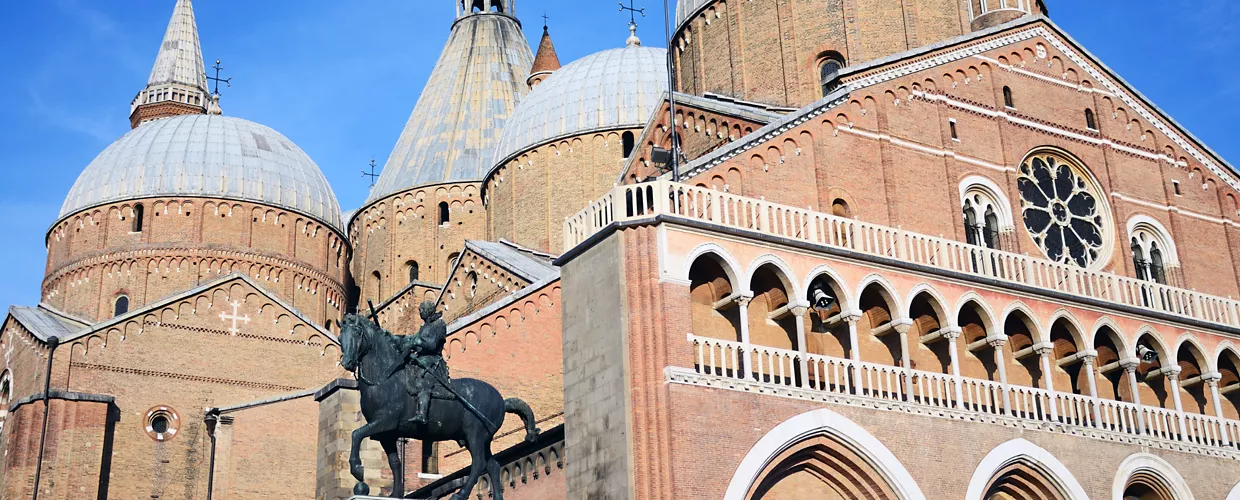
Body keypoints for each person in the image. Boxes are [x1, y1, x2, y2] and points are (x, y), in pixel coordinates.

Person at [395, 301, 450, 424]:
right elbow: (412, 338)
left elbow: (432, 344)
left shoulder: (439, 324)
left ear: (429, 310)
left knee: (423, 382)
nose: (419, 312)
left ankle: (422, 414)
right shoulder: (424, 326)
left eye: (422, 309)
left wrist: (416, 342)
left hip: (432, 360)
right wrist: (397, 339)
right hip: (420, 358)